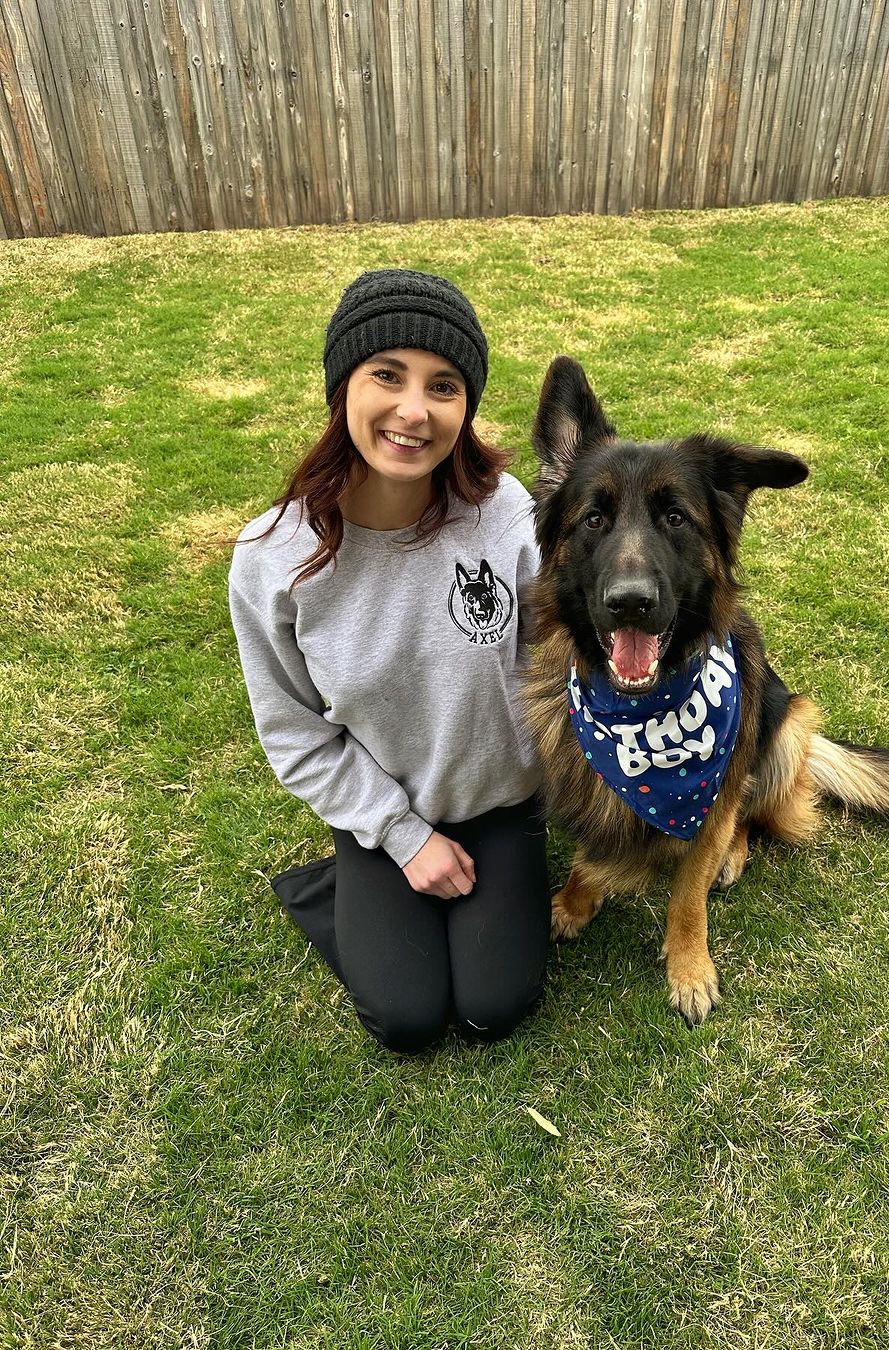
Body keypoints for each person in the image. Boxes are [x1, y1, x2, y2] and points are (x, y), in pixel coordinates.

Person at [228, 268, 549, 1054]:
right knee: (405, 1020)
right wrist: (404, 839)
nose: (414, 410)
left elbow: (558, 658)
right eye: (387, 376)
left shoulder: (505, 514)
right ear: (343, 388)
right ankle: (339, 882)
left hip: (503, 804)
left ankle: (458, 896)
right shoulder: (271, 558)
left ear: (466, 406)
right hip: (386, 810)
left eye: (443, 385)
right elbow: (296, 735)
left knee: (490, 1009)